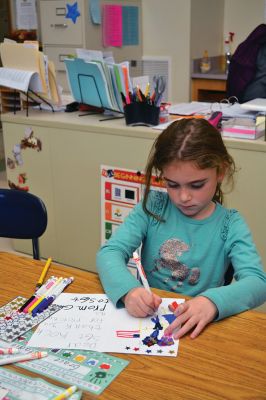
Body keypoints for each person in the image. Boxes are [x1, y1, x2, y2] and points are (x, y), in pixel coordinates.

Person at [96, 118, 266, 340]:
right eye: (172, 185)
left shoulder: (230, 224)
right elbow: (109, 252)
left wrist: (212, 302)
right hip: (150, 322)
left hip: (200, 330)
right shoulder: (153, 207)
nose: (183, 197)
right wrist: (129, 291)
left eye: (197, 185)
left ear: (221, 171)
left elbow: (257, 283)